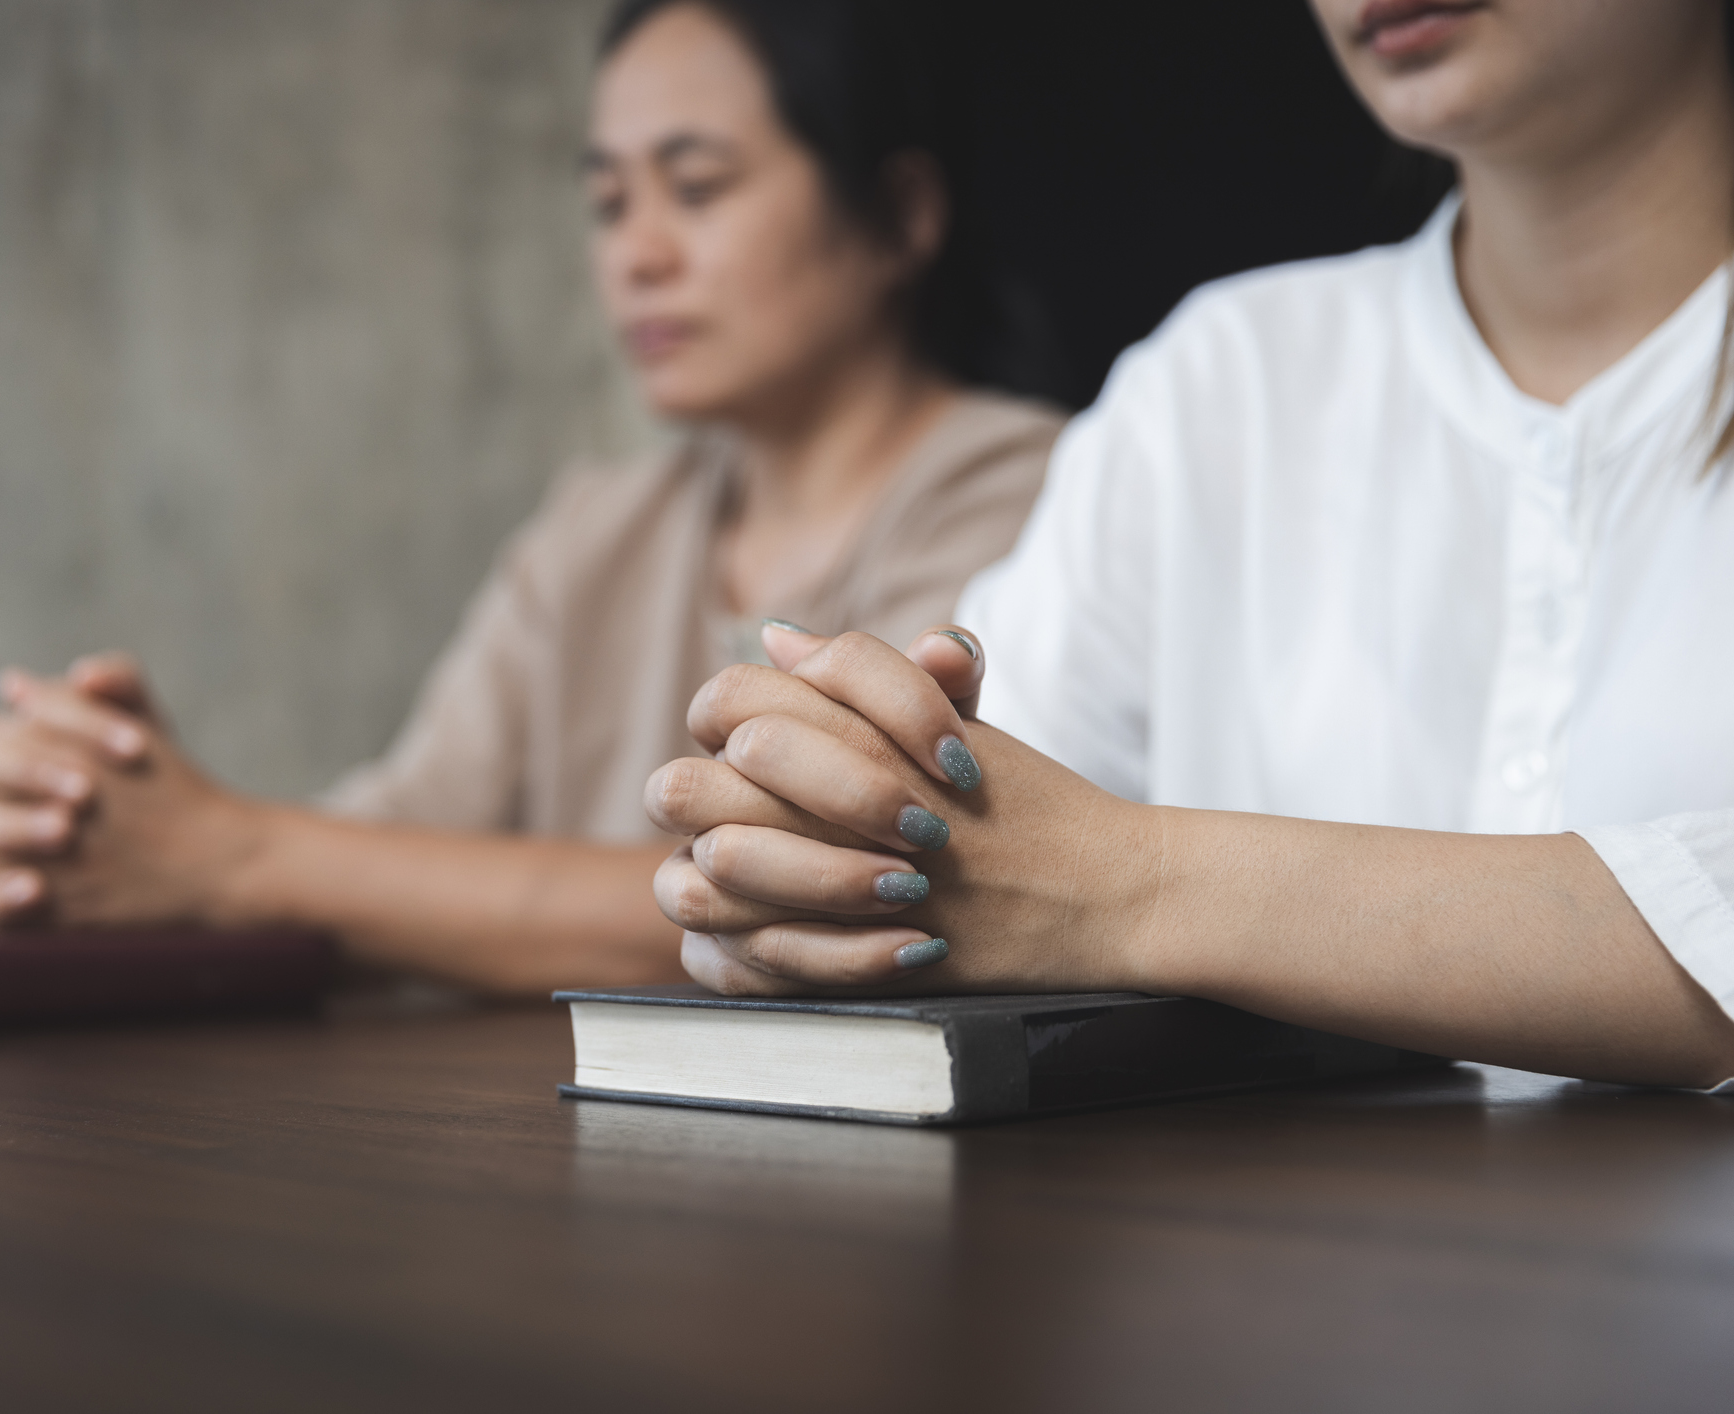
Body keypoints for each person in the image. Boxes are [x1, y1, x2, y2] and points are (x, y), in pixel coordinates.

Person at [649, 0, 1734, 1089]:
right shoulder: (1217, 385)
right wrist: (822, 836)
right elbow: (979, 851)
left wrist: (1131, 885)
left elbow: (1057, 876)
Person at [0, 0, 1068, 995]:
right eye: (610, 202)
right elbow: (394, 847)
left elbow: (833, 892)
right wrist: (117, 814)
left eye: (696, 186)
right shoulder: (595, 530)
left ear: (901, 215)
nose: (637, 253)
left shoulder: (1037, 491)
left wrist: (227, 855)